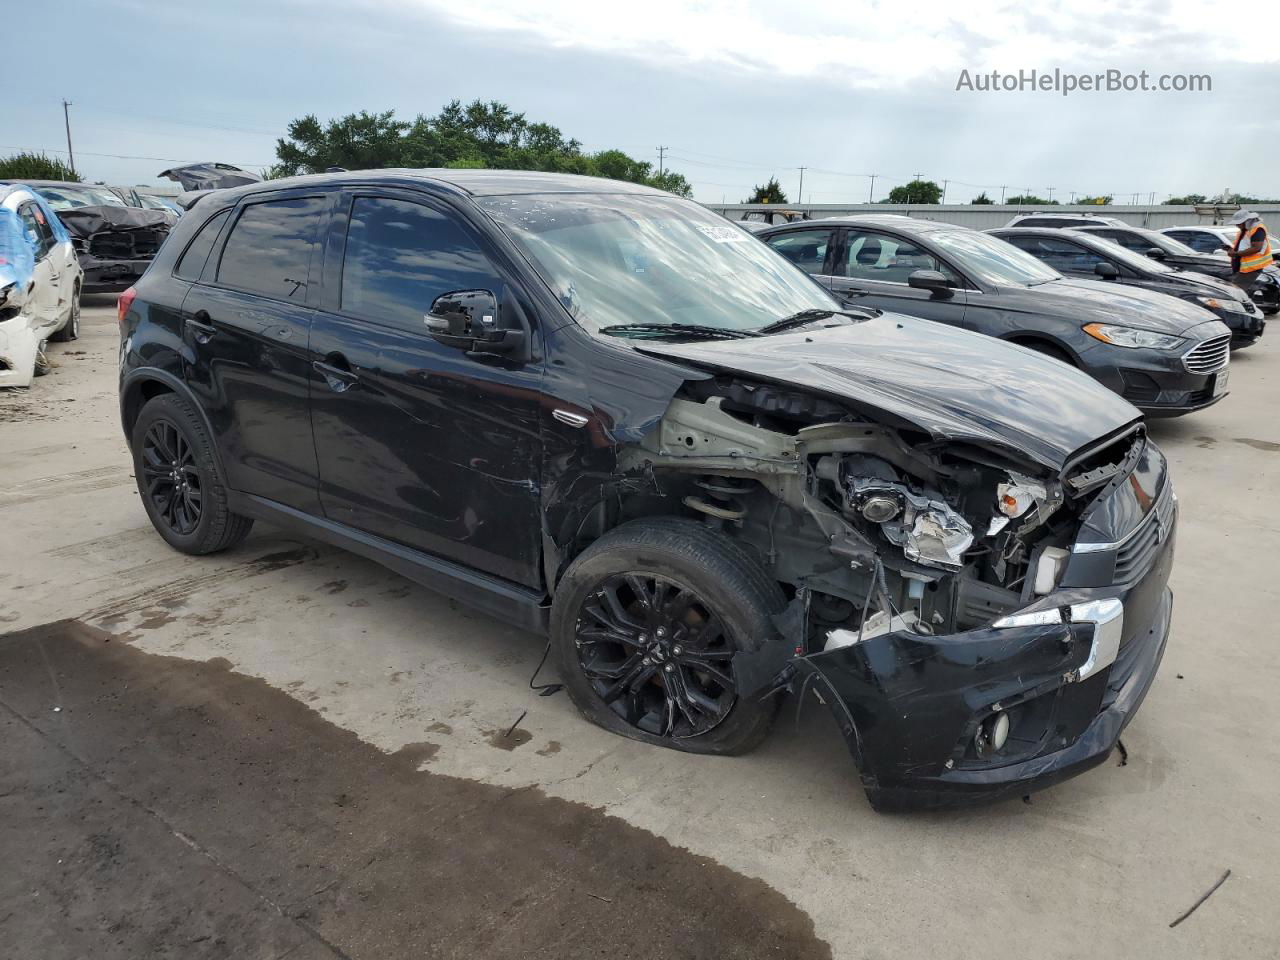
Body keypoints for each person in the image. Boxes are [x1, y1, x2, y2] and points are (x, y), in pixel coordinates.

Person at [1226, 210, 1272, 296]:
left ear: (1246, 221)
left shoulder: (1257, 229)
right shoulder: (1246, 229)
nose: (1237, 225)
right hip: (1244, 267)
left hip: (1251, 268)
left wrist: (1235, 254)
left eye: (1239, 223)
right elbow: (1244, 246)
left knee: (1236, 293)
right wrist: (1232, 250)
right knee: (1239, 292)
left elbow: (1256, 248)